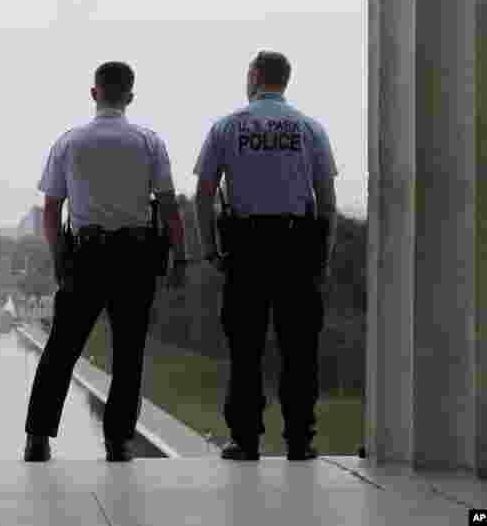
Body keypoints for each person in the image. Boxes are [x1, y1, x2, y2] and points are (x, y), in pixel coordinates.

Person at [23, 61, 189, 463]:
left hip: (85, 255)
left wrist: (59, 258)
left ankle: (38, 439)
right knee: (128, 354)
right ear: (130, 97)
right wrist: (180, 258)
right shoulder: (149, 142)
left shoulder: (70, 142)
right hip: (135, 258)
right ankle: (118, 442)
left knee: (61, 351)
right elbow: (169, 209)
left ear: (94, 93)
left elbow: (51, 210)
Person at [192, 51, 337, 462]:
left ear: (254, 76)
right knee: (300, 349)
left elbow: (204, 195)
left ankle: (245, 439)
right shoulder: (310, 128)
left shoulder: (227, 126)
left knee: (245, 348)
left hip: (247, 247)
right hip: (298, 247)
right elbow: (326, 199)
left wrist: (209, 248)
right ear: (285, 80)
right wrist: (323, 257)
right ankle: (299, 440)